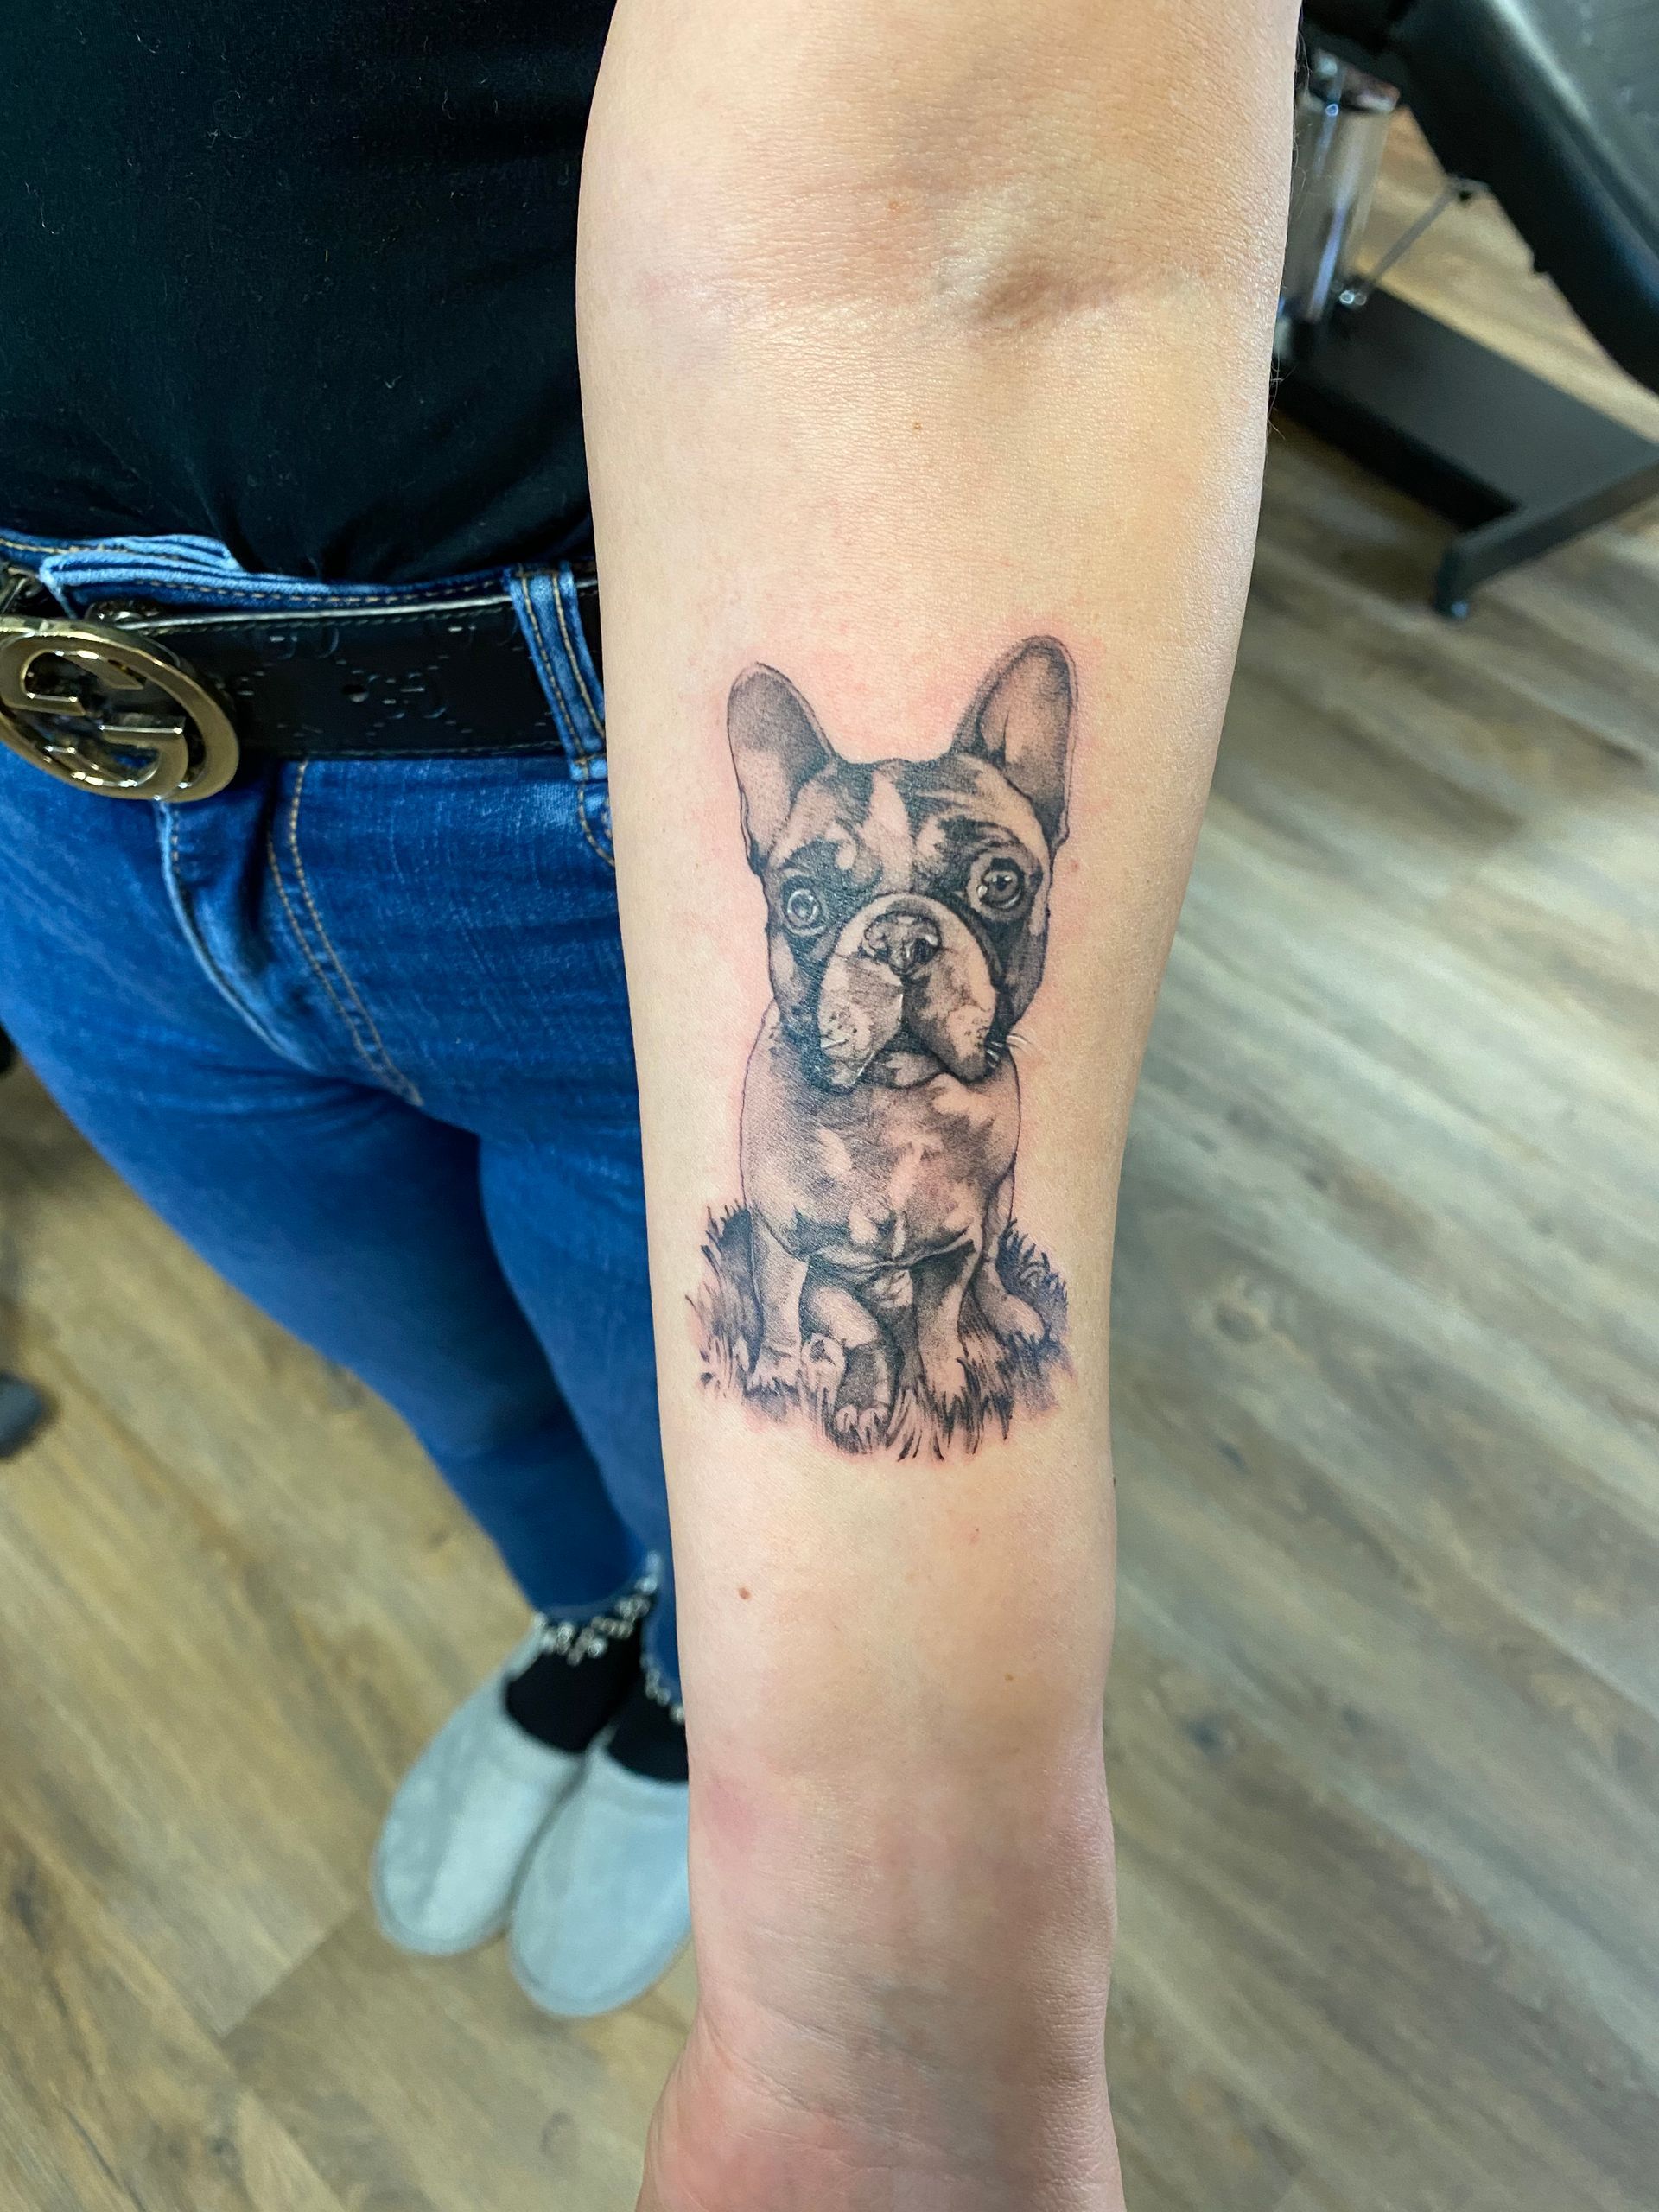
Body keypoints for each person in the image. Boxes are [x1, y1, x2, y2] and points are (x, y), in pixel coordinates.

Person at [0, 3, 1299, 2204]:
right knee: (460, 1386)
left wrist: (881, 1997)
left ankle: (704, 1690)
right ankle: (590, 1618)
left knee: (687, 1403)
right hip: (52, 797)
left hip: (582, 791)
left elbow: (963, 261)